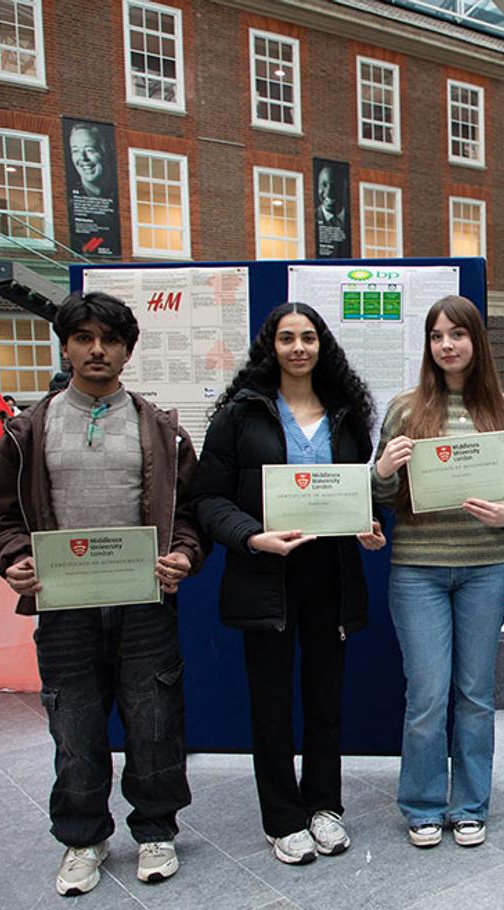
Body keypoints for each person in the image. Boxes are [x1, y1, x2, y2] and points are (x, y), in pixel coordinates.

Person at [0, 291, 206, 896]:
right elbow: (1, 518)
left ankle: (156, 829)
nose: (96, 350)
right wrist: (16, 559)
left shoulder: (159, 429)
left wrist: (183, 554)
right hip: (64, 605)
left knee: (155, 720)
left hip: (144, 603)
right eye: (83, 338)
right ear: (67, 345)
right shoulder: (30, 428)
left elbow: (189, 516)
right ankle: (82, 838)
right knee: (74, 724)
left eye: (109, 340)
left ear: (128, 350)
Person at [192, 302, 385, 865]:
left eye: (308, 338)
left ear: (322, 346)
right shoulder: (239, 415)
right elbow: (208, 500)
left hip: (332, 575)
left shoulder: (347, 416)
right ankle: (283, 817)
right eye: (286, 339)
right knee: (271, 702)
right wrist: (252, 536)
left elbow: (355, 494)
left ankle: (325, 806)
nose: (298, 348)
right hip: (265, 573)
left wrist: (365, 525)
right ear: (269, 347)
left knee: (326, 699)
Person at [372, 294, 504, 849]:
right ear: (428, 345)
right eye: (437, 336)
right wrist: (385, 469)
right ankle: (420, 804)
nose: (447, 345)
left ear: (475, 342)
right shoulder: (404, 409)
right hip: (418, 570)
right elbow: (382, 495)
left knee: (476, 694)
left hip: (486, 569)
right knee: (428, 694)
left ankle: (469, 805)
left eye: (457, 335)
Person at [68, 124, 112, 199]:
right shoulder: (68, 198)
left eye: (89, 150)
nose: (82, 157)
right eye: (75, 151)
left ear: (106, 152)